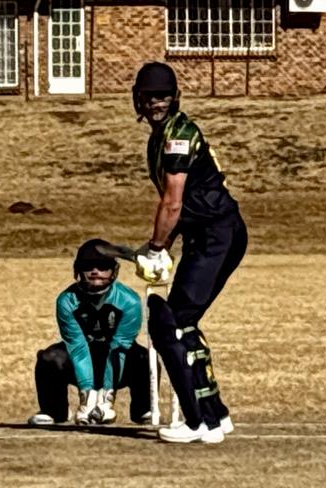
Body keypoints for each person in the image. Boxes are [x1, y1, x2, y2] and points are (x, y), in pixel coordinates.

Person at [132, 62, 248, 444]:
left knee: (169, 324)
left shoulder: (178, 134)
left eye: (162, 95)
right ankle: (216, 414)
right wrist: (158, 246)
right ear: (138, 99)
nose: (156, 102)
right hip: (209, 234)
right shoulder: (161, 134)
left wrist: (156, 247)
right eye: (149, 96)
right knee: (183, 322)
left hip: (218, 234)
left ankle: (200, 423)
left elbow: (173, 203)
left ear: (175, 97)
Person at [28, 238, 151, 426]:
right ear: (77, 271)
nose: (95, 272)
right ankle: (53, 411)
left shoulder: (129, 301)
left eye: (103, 266)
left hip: (117, 360)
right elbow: (77, 347)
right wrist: (87, 399)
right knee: (49, 358)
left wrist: (105, 400)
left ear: (113, 271)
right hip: (81, 360)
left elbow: (120, 347)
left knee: (145, 357)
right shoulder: (66, 301)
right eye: (88, 266)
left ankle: (144, 411)